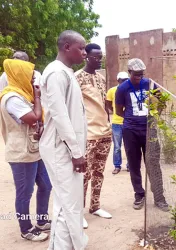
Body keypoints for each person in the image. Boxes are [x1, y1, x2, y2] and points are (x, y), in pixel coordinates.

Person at [39, 30, 89, 250]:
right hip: (61, 149)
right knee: (67, 205)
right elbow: (60, 116)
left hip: (68, 149)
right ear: (67, 47)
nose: (85, 53)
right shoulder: (56, 73)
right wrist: (76, 153)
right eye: (81, 48)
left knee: (68, 203)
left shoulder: (66, 72)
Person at [0, 59, 52, 242]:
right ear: (19, 75)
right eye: (30, 76)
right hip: (21, 153)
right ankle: (26, 228)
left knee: (46, 184)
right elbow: (34, 117)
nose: (33, 81)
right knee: (25, 192)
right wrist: (37, 97)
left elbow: (38, 121)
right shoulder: (12, 98)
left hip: (33, 149)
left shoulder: (23, 95)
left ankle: (42, 220)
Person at [115, 58, 169, 211]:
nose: (139, 77)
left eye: (141, 74)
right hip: (130, 131)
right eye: (136, 74)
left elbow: (162, 101)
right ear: (129, 72)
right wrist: (132, 120)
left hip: (149, 130)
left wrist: (154, 115)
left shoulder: (150, 84)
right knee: (134, 164)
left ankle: (159, 197)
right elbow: (119, 110)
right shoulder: (123, 88)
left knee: (153, 163)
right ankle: (139, 194)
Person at [75, 43, 112, 227]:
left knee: (99, 172)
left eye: (101, 57)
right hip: (88, 134)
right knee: (84, 175)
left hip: (105, 132)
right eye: (96, 57)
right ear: (86, 57)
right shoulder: (77, 78)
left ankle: (95, 206)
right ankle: (78, 212)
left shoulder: (100, 77)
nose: (99, 60)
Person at [106, 72, 130, 174]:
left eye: (126, 80)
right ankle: (117, 166)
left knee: (129, 146)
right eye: (122, 80)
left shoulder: (130, 90)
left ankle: (130, 165)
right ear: (118, 80)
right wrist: (117, 111)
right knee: (117, 147)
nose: (124, 82)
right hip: (116, 123)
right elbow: (108, 104)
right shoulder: (112, 91)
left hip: (128, 122)